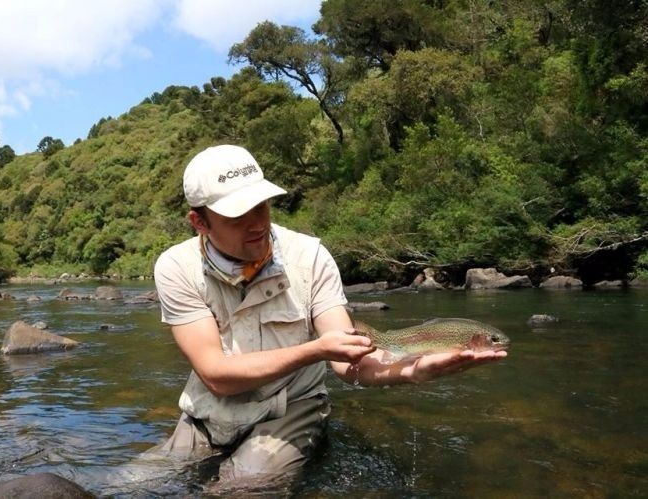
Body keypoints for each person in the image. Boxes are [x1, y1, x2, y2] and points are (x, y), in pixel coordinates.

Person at [153, 144, 506, 482]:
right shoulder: (176, 268)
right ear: (199, 222)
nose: (257, 222)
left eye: (261, 206)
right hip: (209, 410)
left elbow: (348, 364)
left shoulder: (310, 258)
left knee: (243, 488)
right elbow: (216, 375)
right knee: (134, 483)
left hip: (293, 408)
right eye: (237, 216)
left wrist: (410, 370)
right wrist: (315, 350)